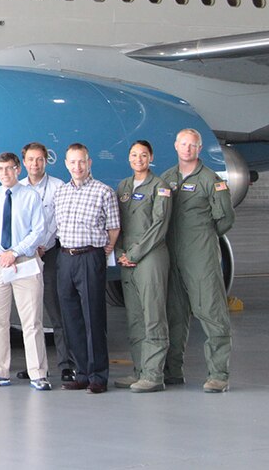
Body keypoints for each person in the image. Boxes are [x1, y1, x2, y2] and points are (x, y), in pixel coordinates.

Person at [161, 128, 235, 393]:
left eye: (192, 145)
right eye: (183, 144)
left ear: (199, 149)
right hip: (172, 255)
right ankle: (172, 371)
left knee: (211, 312)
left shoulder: (211, 180)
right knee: (174, 314)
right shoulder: (167, 178)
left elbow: (225, 219)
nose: (187, 149)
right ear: (176, 146)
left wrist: (202, 237)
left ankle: (218, 374)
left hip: (200, 256)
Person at [0, 152, 49, 390]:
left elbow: (38, 230)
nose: (4, 173)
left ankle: (38, 373)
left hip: (24, 261)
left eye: (8, 168)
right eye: (0, 169)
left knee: (32, 321)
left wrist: (14, 252)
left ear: (18, 169)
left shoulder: (31, 196)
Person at [53, 143, 119, 394]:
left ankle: (98, 376)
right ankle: (81, 373)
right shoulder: (61, 192)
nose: (77, 166)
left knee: (93, 317)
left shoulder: (103, 191)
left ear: (89, 163)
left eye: (82, 161)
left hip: (90, 256)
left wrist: (105, 250)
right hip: (65, 257)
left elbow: (114, 227)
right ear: (66, 164)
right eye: (72, 162)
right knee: (71, 318)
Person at [113, 140, 172, 393]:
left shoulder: (160, 187)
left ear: (151, 158)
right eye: (134, 155)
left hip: (150, 256)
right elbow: (116, 223)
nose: (139, 159)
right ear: (129, 158)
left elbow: (159, 225)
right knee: (135, 317)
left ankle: (154, 374)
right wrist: (119, 253)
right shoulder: (123, 187)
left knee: (153, 315)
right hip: (127, 258)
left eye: (144, 155)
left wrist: (135, 253)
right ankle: (139, 370)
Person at [18, 142, 74, 383]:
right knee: (30, 314)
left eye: (39, 159)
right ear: (24, 162)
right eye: (31, 159)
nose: (35, 164)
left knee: (56, 311)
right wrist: (29, 247)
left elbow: (60, 220)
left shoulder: (58, 186)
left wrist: (42, 244)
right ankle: (34, 365)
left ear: (46, 161)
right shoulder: (18, 188)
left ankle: (66, 364)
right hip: (26, 255)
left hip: (50, 253)